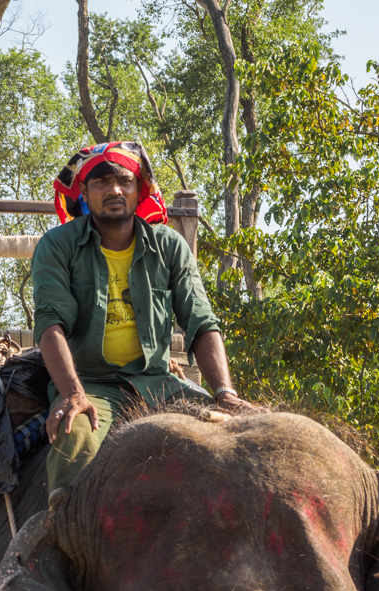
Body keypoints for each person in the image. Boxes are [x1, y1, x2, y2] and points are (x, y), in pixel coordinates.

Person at [32, 141, 257, 495]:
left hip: (158, 383)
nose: (114, 190)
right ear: (84, 194)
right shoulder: (58, 245)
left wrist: (224, 392)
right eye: (101, 183)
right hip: (92, 384)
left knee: (241, 436)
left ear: (141, 190)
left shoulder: (169, 245)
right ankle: (59, 540)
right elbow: (50, 325)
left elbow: (201, 321)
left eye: (124, 181)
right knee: (74, 442)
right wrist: (73, 393)